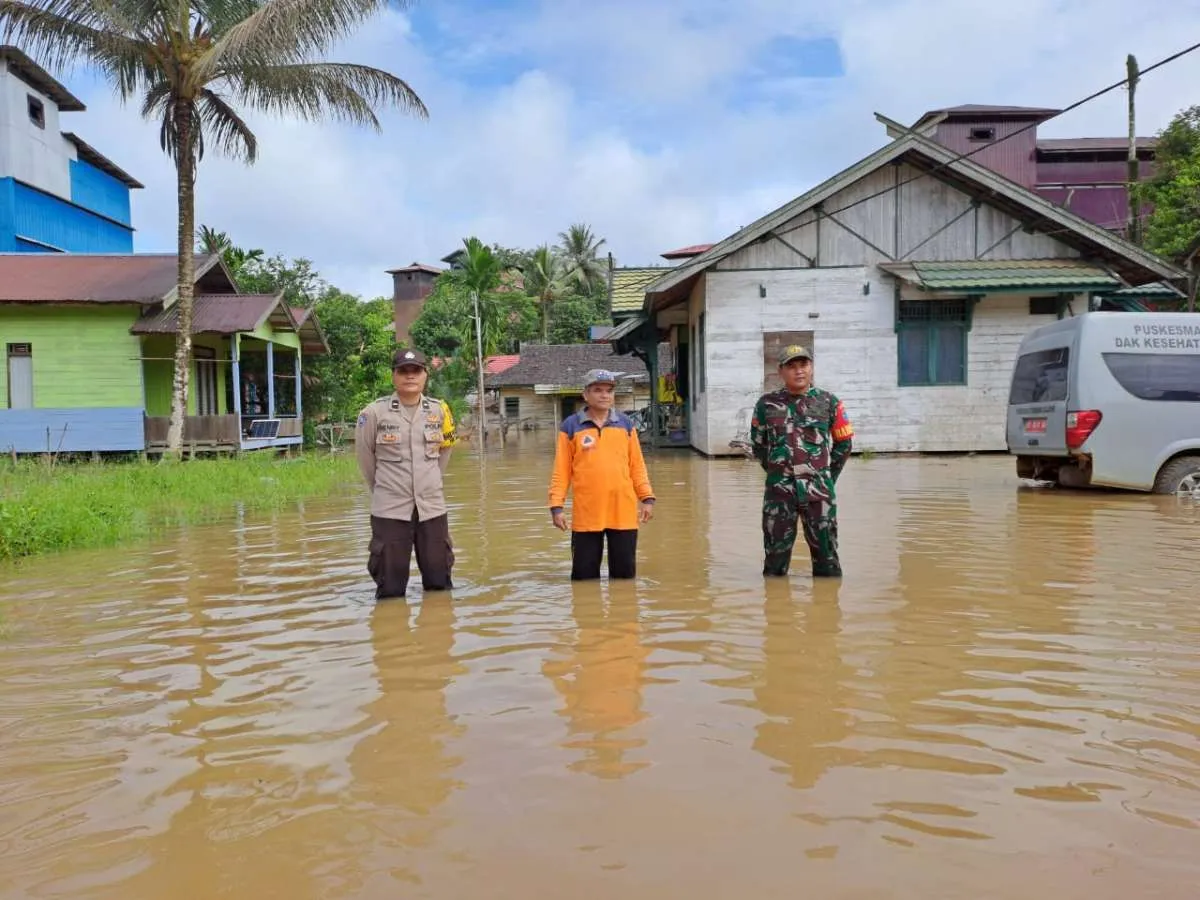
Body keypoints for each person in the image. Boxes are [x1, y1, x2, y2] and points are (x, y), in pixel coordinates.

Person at [355, 348, 458, 600]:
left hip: (432, 508)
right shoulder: (373, 413)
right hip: (389, 510)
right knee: (390, 588)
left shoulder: (440, 411)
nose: (410, 376)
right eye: (403, 371)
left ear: (425, 375)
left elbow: (445, 450)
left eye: (416, 371)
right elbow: (366, 459)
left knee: (439, 583)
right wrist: (385, 490)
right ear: (393, 375)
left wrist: (431, 482)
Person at [750, 345, 853, 578]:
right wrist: (778, 472)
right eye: (792, 366)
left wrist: (825, 477)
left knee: (827, 559)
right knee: (774, 562)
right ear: (781, 371)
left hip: (819, 493)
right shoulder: (766, 404)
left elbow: (844, 444)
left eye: (803, 365)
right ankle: (776, 600)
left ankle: (826, 599)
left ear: (811, 367)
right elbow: (759, 444)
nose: (799, 371)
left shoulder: (829, 402)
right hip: (779, 494)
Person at [548, 368, 656, 581]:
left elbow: (637, 466)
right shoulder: (571, 426)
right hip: (587, 512)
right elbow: (561, 471)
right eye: (597, 390)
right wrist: (556, 506)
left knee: (624, 579)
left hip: (623, 511)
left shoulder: (626, 425)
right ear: (585, 394)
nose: (604, 395)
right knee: (584, 579)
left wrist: (647, 498)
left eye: (609, 390)